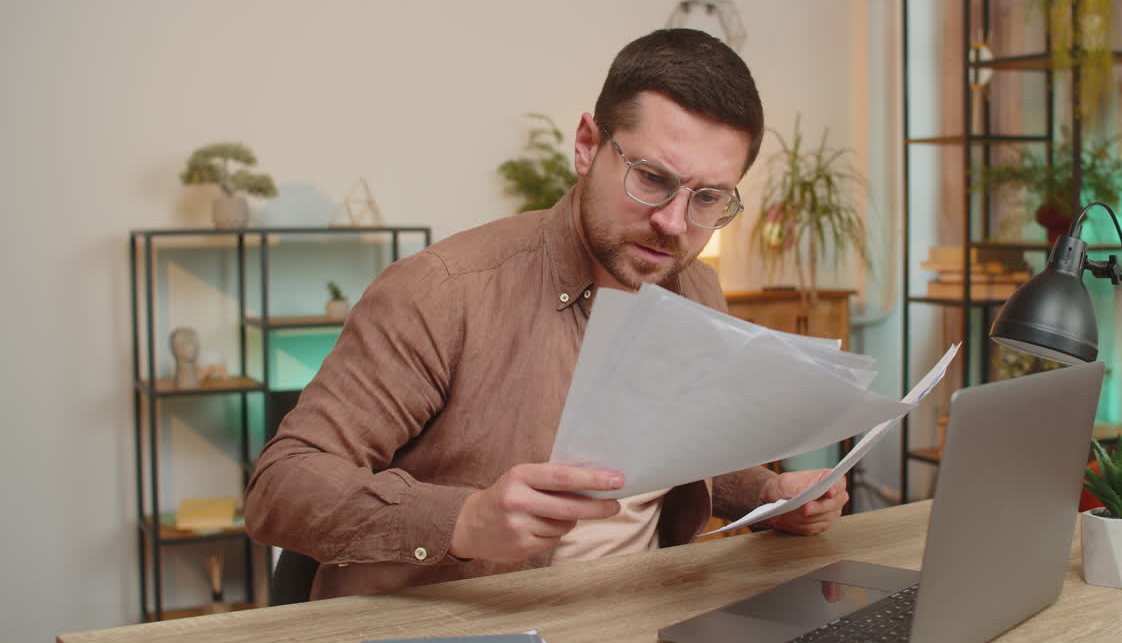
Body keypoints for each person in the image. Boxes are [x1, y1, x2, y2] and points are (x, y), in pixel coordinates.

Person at [244, 29, 849, 600]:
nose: (673, 222)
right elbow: (282, 482)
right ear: (587, 146)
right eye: (651, 178)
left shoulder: (696, 289)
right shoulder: (444, 292)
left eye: (708, 197)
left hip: (639, 614)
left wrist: (770, 493)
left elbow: (684, 462)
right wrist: (464, 520)